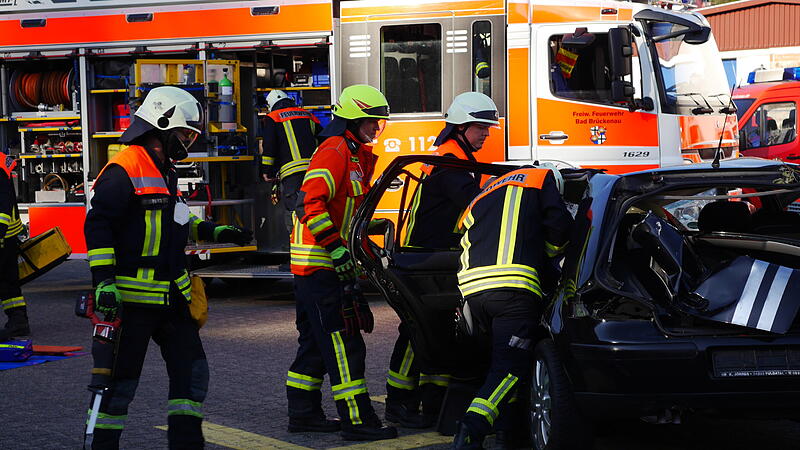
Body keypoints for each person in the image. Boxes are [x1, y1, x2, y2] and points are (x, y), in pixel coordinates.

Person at [84, 86, 251, 449]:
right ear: (161, 125)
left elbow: (172, 220)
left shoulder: (165, 168)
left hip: (172, 299)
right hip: (132, 301)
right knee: (119, 384)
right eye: (185, 133)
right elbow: (98, 225)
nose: (189, 141)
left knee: (192, 375)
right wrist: (103, 283)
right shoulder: (124, 167)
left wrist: (212, 229)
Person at [286, 84, 396, 441]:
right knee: (343, 342)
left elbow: (345, 212)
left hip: (319, 266)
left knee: (316, 343)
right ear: (350, 121)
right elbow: (309, 205)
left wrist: (368, 235)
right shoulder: (334, 151)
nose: (376, 130)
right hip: (319, 266)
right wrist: (336, 249)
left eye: (379, 124)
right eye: (370, 124)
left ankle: (303, 414)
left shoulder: (351, 153)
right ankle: (357, 421)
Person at [386, 92, 499, 429]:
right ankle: (400, 402)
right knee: (418, 330)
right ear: (463, 127)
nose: (487, 134)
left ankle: (431, 402)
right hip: (425, 259)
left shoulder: (455, 158)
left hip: (434, 258)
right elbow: (474, 207)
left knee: (438, 329)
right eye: (482, 128)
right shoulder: (452, 164)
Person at [453, 165, 573, 449]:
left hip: (472, 293)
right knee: (510, 368)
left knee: (500, 363)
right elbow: (559, 229)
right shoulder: (541, 178)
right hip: (512, 291)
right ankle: (472, 427)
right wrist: (554, 261)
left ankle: (510, 433)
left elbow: (460, 236)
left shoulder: (481, 194)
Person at [259, 89, 321, 233]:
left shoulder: (273, 117)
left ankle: (298, 240)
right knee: (314, 204)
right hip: (314, 170)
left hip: (292, 173)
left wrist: (266, 171)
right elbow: (323, 138)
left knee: (294, 208)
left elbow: (269, 146)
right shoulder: (309, 115)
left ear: (271, 104)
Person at [0, 152, 28, 342]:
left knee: (7, 280)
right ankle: (18, 321)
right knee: (7, 281)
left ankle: (18, 321)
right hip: (7, 234)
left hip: (3, 234)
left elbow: (3, 202)